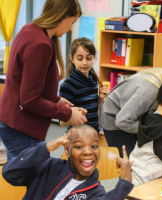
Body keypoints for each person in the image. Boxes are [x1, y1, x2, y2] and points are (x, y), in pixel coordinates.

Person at [0, 0, 87, 160]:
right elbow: (29, 100)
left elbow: (26, 85)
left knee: (21, 177)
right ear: (62, 16)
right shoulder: (41, 44)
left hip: (12, 120)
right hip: (20, 126)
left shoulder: (29, 30)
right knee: (35, 180)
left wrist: (56, 100)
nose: (70, 28)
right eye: (72, 22)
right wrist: (67, 113)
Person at [2, 124, 134, 200]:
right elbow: (10, 173)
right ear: (67, 150)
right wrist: (44, 148)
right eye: (79, 147)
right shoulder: (47, 167)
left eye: (94, 146)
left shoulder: (95, 191)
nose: (88, 152)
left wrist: (126, 182)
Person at [59, 38, 109, 132]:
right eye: (80, 59)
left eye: (89, 58)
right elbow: (62, 122)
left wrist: (100, 98)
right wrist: (77, 117)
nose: (85, 62)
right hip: (78, 135)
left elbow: (93, 109)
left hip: (93, 133)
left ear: (94, 58)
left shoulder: (92, 78)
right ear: (72, 59)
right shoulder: (67, 85)